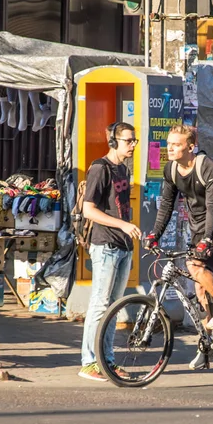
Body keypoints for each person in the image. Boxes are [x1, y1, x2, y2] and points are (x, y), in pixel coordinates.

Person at [144, 124, 213, 370]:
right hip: (198, 227)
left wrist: (207, 239)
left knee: (198, 268)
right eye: (168, 144)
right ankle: (209, 346)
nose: (170, 148)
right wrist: (155, 234)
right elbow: (166, 204)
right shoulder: (171, 169)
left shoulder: (207, 166)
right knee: (198, 289)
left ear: (190, 146)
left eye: (176, 144)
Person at [79, 122, 142, 381]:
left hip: (123, 245)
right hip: (104, 245)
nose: (133, 146)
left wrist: (127, 231)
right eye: (129, 141)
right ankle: (89, 362)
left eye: (134, 141)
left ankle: (107, 361)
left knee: (114, 307)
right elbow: (88, 210)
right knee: (99, 305)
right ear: (114, 142)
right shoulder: (99, 168)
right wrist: (123, 225)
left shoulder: (123, 168)